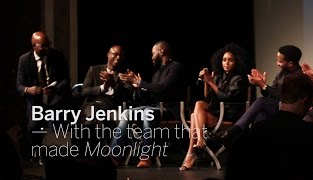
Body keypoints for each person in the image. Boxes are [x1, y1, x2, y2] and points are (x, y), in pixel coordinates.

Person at [110, 40, 188, 168]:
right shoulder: (157, 73)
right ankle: (114, 155)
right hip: (155, 107)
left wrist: (140, 83)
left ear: (161, 51)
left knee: (148, 112)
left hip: (171, 109)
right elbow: (151, 95)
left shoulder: (176, 67)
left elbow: (161, 88)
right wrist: (136, 86)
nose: (152, 56)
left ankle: (146, 156)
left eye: (153, 53)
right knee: (127, 113)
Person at [215, 45, 303, 148]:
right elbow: (270, 94)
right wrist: (261, 86)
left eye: (280, 61)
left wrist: (263, 85)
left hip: (289, 111)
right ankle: (255, 147)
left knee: (261, 101)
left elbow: (283, 96)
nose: (277, 63)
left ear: (291, 63)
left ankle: (234, 132)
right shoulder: (282, 73)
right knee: (261, 115)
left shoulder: (297, 76)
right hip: (277, 107)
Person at [179, 43, 249, 171]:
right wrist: (206, 82)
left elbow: (226, 97)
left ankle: (191, 153)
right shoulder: (219, 76)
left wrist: (210, 81)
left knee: (195, 115)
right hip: (217, 113)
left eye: (230, 60)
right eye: (224, 60)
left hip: (230, 115)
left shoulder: (240, 79)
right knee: (198, 108)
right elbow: (208, 99)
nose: (226, 63)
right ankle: (199, 141)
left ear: (237, 62)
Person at [240, 73, 313, 180]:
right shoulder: (312, 132)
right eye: (310, 105)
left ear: (282, 97)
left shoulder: (258, 129)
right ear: (305, 102)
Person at [71, 45, 132, 176]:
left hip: (112, 107)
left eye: (120, 55)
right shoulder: (94, 70)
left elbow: (127, 95)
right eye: (115, 54)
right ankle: (87, 156)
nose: (118, 57)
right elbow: (84, 91)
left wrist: (114, 84)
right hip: (92, 105)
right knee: (91, 119)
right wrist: (104, 86)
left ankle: (109, 156)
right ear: (108, 54)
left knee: (120, 120)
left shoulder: (125, 74)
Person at [16, 31, 71, 162]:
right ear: (34, 46)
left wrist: (55, 88)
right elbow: (19, 85)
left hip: (55, 98)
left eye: (48, 44)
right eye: (43, 46)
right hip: (36, 100)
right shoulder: (24, 60)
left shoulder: (57, 55)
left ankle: (51, 157)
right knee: (33, 126)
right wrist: (29, 89)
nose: (47, 48)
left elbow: (66, 79)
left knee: (55, 126)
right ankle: (35, 152)